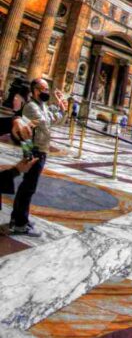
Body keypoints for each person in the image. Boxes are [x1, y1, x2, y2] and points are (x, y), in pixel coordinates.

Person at [10, 77, 67, 236]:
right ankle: (20, 224)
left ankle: (18, 218)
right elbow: (45, 122)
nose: (47, 92)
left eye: (48, 89)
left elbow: (57, 122)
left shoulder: (43, 106)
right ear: (35, 90)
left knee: (27, 186)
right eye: (44, 89)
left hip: (41, 148)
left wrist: (63, 109)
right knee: (29, 188)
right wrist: (58, 110)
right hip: (34, 150)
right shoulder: (30, 106)